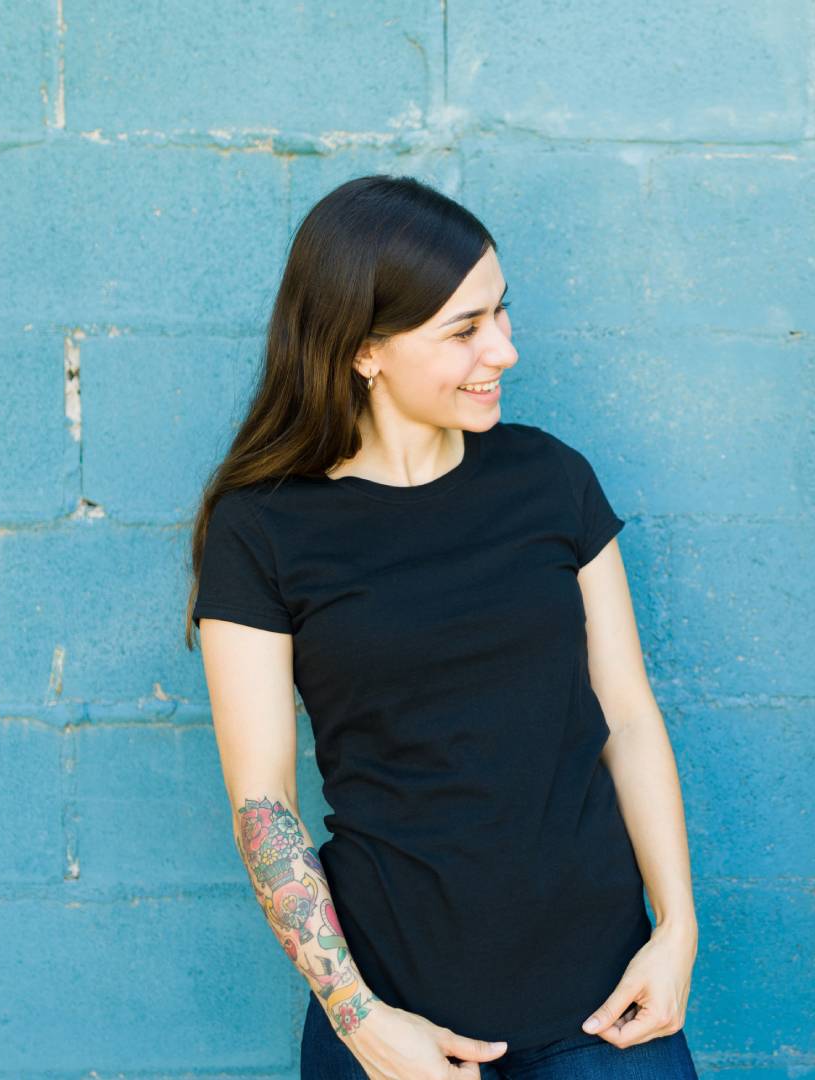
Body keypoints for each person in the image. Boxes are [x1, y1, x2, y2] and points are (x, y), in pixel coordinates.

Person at [186, 176, 699, 1080]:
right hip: (397, 1022)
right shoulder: (260, 528)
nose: (502, 349)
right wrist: (360, 1022)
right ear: (364, 348)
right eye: (463, 330)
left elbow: (625, 711)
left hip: (604, 1012)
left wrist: (678, 929)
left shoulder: (552, 480)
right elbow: (263, 803)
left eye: (501, 314)